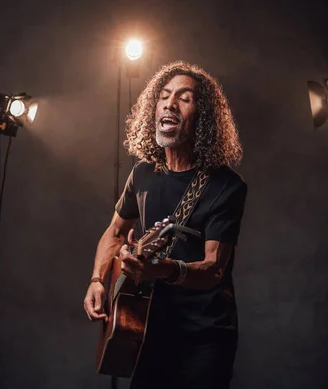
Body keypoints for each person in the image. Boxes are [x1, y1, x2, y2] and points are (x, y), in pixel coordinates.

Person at [83, 61, 247, 389]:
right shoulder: (143, 174)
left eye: (184, 98)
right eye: (165, 95)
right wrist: (98, 280)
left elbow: (214, 269)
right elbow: (115, 232)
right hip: (147, 329)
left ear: (203, 117)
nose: (170, 103)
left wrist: (165, 270)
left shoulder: (225, 186)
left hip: (204, 338)